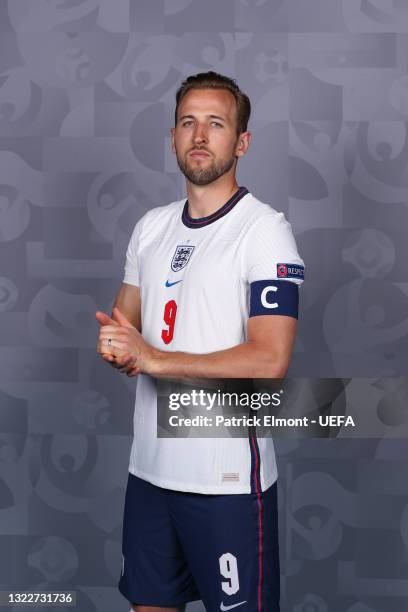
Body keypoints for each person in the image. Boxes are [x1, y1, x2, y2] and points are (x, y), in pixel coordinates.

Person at [95, 71, 304, 612]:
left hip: (227, 482)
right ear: (172, 137)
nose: (200, 135)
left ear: (242, 142)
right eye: (188, 122)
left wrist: (154, 358)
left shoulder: (265, 231)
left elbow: (271, 357)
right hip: (149, 473)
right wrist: (119, 346)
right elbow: (129, 328)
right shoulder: (151, 227)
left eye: (216, 123)